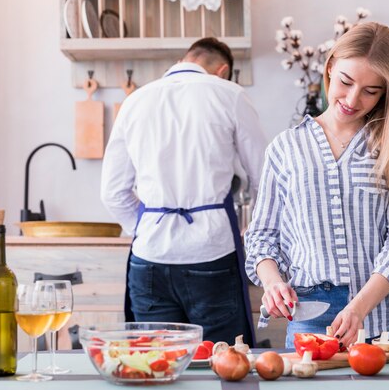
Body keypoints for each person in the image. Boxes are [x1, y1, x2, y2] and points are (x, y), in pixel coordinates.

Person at [244, 22, 389, 349]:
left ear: (386, 92)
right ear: (330, 68)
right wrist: (272, 284)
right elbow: (262, 237)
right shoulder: (286, 148)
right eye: (346, 81)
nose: (353, 99)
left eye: (371, 91)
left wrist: (358, 308)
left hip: (388, 318)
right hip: (311, 314)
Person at [101, 37, 268, 346]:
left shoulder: (135, 101)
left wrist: (147, 226)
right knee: (223, 364)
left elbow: (113, 192)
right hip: (212, 252)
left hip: (149, 255)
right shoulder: (229, 94)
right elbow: (267, 179)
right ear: (223, 71)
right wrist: (255, 230)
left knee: (158, 367)